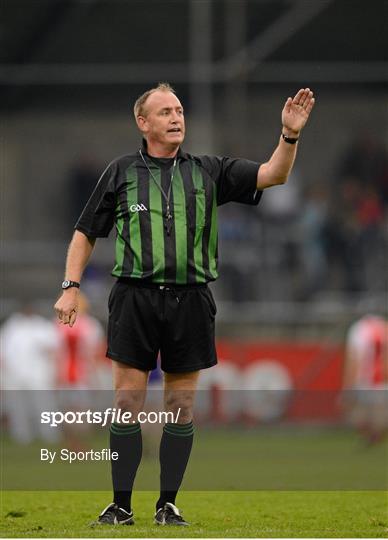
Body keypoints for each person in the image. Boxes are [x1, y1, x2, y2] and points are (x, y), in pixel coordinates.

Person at [54, 82, 315, 526]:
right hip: (134, 297)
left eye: (179, 110)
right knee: (127, 401)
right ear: (144, 123)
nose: (176, 118)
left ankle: (167, 504)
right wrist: (70, 285)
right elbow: (86, 232)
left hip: (191, 299)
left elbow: (275, 174)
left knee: (181, 405)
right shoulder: (120, 172)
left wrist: (289, 135)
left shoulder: (208, 170)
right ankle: (121, 504)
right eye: (165, 112)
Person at [342, 314, 388, 445]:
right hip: (380, 382)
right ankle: (373, 438)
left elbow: (354, 359)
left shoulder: (357, 330)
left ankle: (372, 438)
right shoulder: (384, 327)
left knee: (358, 416)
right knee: (376, 418)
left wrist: (348, 385)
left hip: (364, 381)